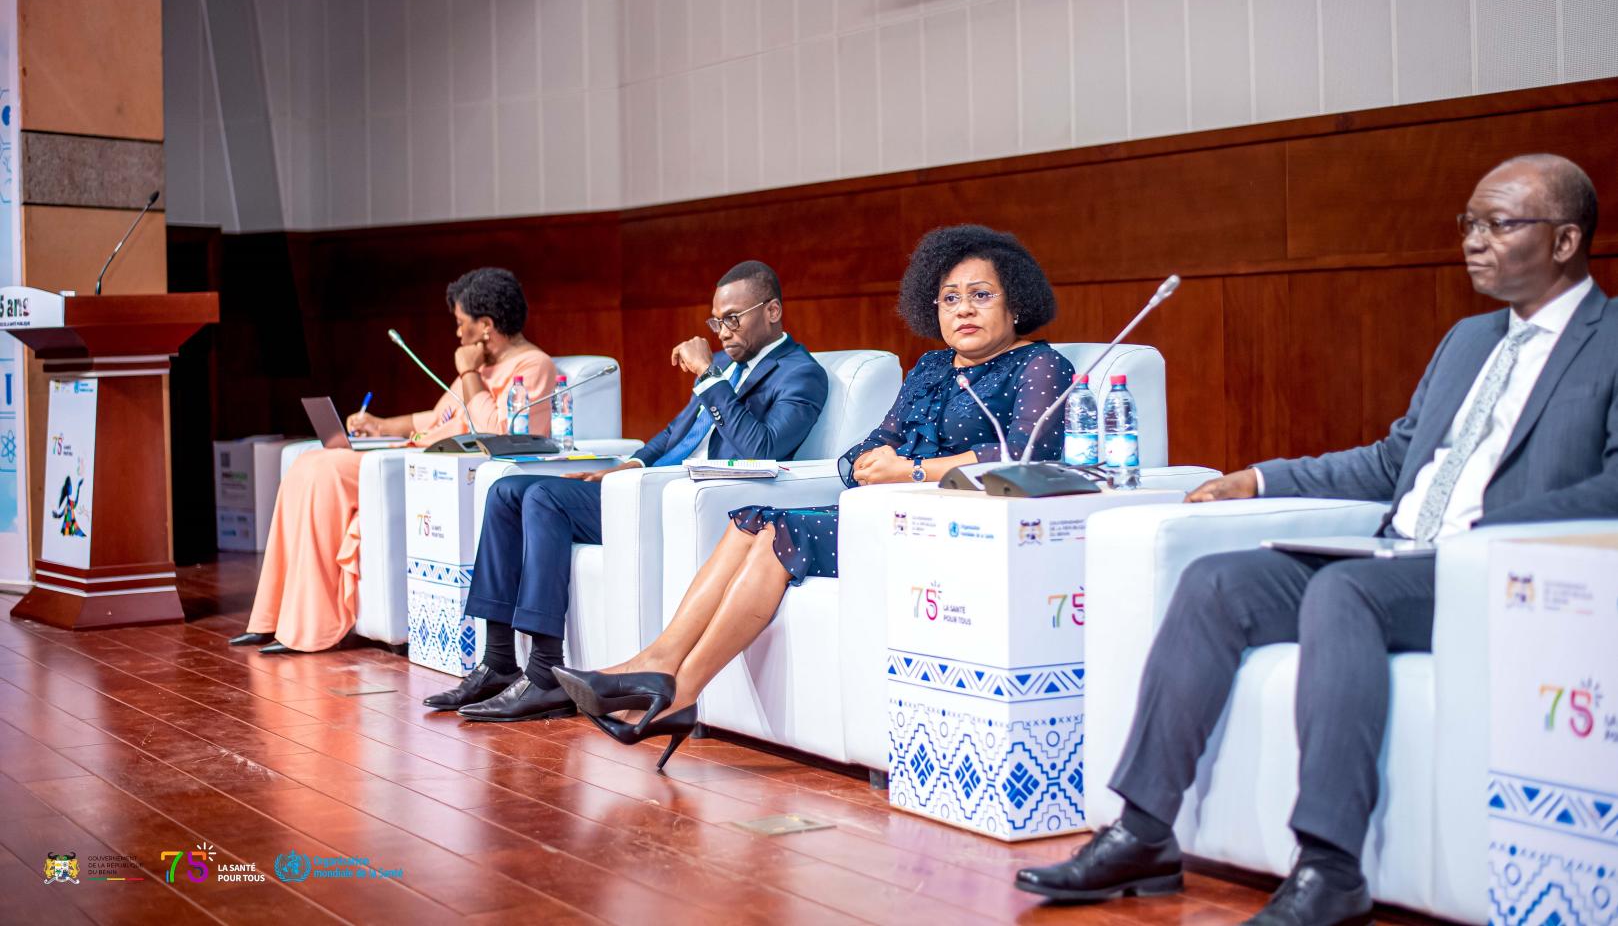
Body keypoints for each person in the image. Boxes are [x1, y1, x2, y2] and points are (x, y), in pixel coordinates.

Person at [1016, 154, 1616, 925]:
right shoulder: (1469, 340)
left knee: (1343, 591)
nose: (1473, 241)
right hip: (1399, 555)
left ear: (1566, 242)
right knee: (1216, 580)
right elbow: (1395, 461)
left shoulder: (1610, 340)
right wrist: (1258, 480)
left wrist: (1486, 532)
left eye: (1498, 224)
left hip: (1493, 571)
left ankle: (1330, 868)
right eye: (1469, 223)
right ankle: (1141, 831)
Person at [550, 225, 1075, 769]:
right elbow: (870, 445)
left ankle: (680, 693)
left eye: (981, 295)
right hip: (884, 513)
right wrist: (866, 465)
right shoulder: (932, 368)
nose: (963, 310)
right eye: (949, 299)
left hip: (955, 525)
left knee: (780, 530)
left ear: (1015, 302)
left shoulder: (1040, 365)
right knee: (749, 521)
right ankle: (659, 663)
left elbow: (1023, 455)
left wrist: (911, 470)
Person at [426, 260, 830, 721]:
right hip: (644, 487)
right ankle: (498, 661)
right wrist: (627, 465)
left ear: (773, 310)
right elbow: (674, 433)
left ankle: (543, 674)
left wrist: (712, 381)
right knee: (507, 490)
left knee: (543, 498)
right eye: (716, 320)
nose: (722, 331)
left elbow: (763, 447)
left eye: (733, 318)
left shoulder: (801, 373)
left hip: (691, 502)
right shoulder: (722, 365)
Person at [233, 268, 554, 654]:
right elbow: (436, 419)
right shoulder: (480, 370)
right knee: (309, 461)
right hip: (416, 455)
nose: (457, 335)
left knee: (324, 471)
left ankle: (308, 625)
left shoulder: (533, 366)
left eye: (460, 324)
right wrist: (380, 425)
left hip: (438, 471)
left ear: (485, 326)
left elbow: (491, 433)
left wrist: (468, 372)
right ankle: (272, 615)